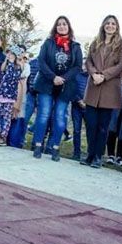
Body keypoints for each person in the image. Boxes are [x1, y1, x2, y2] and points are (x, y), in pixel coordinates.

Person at [31, 16, 83, 161]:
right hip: (47, 83)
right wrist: (53, 77)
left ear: (69, 27)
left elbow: (77, 66)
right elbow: (41, 61)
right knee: (43, 115)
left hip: (65, 87)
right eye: (59, 24)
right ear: (55, 27)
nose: (61, 26)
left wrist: (63, 78)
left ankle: (55, 147)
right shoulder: (48, 43)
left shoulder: (75, 47)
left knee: (60, 117)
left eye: (64, 24)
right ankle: (38, 145)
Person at [82, 15, 122, 168]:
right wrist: (94, 73)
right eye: (107, 23)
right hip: (93, 88)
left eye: (113, 23)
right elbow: (88, 60)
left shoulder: (121, 45)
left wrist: (104, 75)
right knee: (91, 125)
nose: (110, 26)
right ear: (103, 25)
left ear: (117, 26)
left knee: (103, 127)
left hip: (109, 89)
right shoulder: (96, 43)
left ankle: (97, 156)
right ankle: (89, 153)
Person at [0, 46, 24, 145]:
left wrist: (11, 62)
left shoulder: (18, 67)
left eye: (11, 53)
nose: (9, 55)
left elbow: (12, 77)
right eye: (8, 53)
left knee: (6, 117)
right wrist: (7, 61)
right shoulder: (5, 65)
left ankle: (3, 136)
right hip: (1, 94)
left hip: (10, 96)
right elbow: (2, 74)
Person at [105, 72, 122, 166]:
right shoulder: (115, 83)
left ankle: (119, 157)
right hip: (114, 111)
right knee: (111, 132)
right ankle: (111, 156)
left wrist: (121, 90)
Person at [70, 63, 88, 161]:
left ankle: (90, 153)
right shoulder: (76, 75)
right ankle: (76, 152)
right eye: (83, 65)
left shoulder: (92, 77)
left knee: (90, 130)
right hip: (76, 106)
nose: (85, 67)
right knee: (76, 130)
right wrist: (79, 100)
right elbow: (73, 89)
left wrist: (87, 102)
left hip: (89, 107)